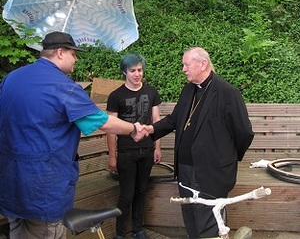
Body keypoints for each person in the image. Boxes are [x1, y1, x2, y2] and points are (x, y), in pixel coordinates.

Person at [0, 31, 147, 239]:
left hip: (10, 185)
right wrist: (133, 129)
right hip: (42, 190)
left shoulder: (11, 79)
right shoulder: (64, 87)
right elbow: (101, 121)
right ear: (60, 52)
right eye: (73, 54)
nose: (76, 60)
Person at [145, 47, 254, 238]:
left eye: (186, 65)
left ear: (202, 64)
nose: (183, 69)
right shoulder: (189, 89)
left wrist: (226, 158)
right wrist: (151, 129)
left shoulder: (227, 92)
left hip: (211, 170)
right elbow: (175, 119)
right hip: (185, 168)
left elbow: (244, 132)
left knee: (209, 221)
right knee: (190, 215)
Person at [106, 53, 162, 239]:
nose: (137, 74)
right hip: (126, 152)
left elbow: (156, 121)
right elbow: (111, 128)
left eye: (140, 70)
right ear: (124, 72)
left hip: (146, 150)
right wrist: (112, 156)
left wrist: (157, 148)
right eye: (132, 71)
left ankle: (138, 229)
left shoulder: (151, 92)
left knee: (141, 190)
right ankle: (120, 233)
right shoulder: (116, 96)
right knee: (127, 194)